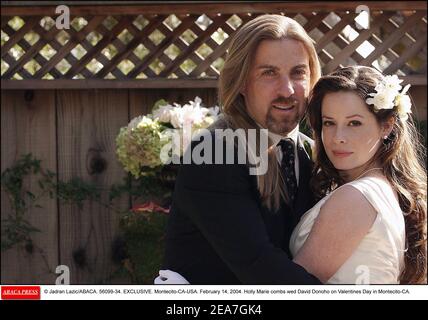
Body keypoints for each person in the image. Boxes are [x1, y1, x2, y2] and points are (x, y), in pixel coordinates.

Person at [155, 14, 322, 284]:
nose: (287, 89)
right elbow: (257, 265)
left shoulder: (313, 153)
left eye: (298, 72)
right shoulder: (212, 153)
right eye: (269, 73)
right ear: (242, 82)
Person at [290, 66, 427, 284]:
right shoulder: (383, 189)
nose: (338, 137)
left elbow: (290, 290)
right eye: (329, 123)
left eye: (354, 123)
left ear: (387, 127)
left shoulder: (356, 197)